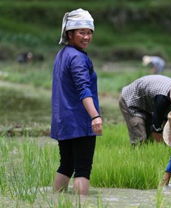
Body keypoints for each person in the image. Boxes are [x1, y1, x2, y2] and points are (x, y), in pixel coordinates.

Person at [51, 8, 102, 195]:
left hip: (63, 121)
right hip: (80, 122)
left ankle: (56, 200)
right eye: (81, 32)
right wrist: (95, 116)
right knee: (82, 168)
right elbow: (83, 89)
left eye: (89, 33)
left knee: (66, 165)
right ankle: (82, 203)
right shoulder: (78, 58)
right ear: (69, 33)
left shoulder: (62, 54)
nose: (86, 37)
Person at [119, 75, 171, 146]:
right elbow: (156, 124)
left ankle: (148, 155)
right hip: (131, 101)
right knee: (139, 134)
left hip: (148, 102)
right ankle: (136, 156)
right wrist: (161, 138)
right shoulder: (162, 98)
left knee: (149, 136)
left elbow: (170, 120)